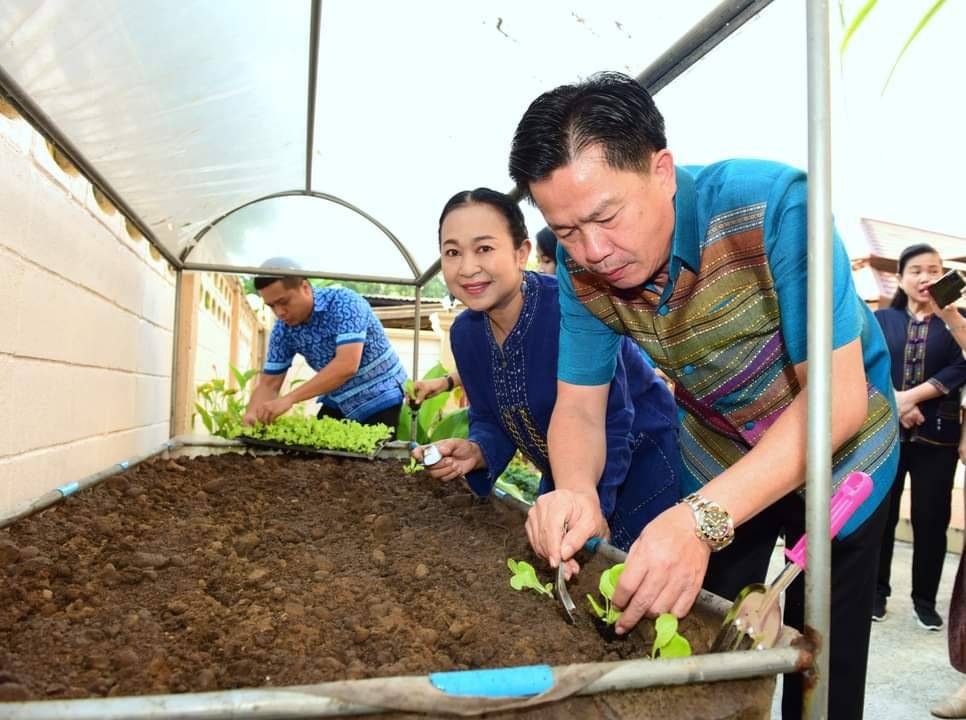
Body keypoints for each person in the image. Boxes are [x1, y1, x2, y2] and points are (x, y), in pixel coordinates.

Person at [507, 72, 899, 720]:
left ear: (661, 171)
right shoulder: (583, 271)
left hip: (843, 458)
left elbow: (836, 400)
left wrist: (699, 519)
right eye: (566, 231)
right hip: (719, 452)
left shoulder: (777, 208)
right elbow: (578, 404)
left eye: (606, 216)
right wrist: (576, 491)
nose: (593, 251)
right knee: (704, 640)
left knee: (822, 657)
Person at [412, 187, 681, 550]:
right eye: (452, 252)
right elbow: (490, 417)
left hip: (643, 468)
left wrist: (593, 506)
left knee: (639, 572)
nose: (468, 267)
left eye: (484, 248)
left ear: (521, 253)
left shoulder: (570, 310)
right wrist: (477, 451)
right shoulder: (465, 334)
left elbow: (612, 419)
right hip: (567, 477)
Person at [872, 244, 966, 630]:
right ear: (900, 278)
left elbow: (962, 366)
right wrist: (896, 403)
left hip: (938, 437)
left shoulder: (957, 322)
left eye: (934, 270)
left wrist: (912, 397)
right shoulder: (881, 319)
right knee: (881, 517)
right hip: (885, 436)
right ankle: (876, 593)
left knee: (932, 520)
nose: (925, 277)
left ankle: (924, 601)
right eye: (916, 270)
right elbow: (867, 364)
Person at [243, 259, 407, 429]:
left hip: (381, 392)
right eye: (271, 306)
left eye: (284, 302)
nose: (279, 312)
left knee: (374, 445)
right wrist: (252, 414)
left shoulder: (345, 303)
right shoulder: (282, 330)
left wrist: (289, 399)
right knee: (317, 444)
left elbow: (347, 365)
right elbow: (269, 383)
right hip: (340, 397)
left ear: (305, 287)